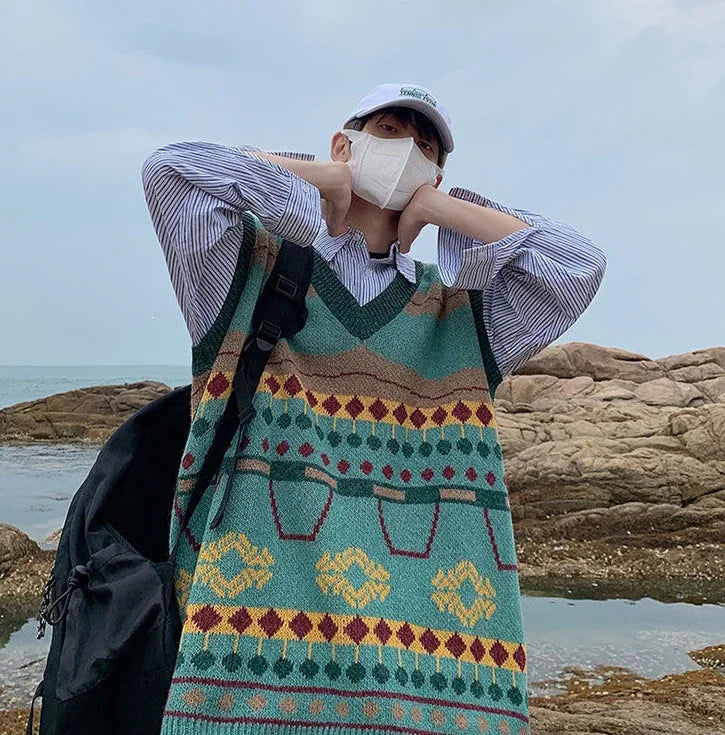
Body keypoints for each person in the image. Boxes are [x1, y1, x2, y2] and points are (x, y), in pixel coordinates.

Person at [142, 82, 606, 735]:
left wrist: (443, 210)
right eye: (389, 130)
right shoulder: (247, 268)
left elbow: (579, 265)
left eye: (426, 146)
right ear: (345, 144)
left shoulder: (465, 313)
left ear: (436, 176)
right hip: (244, 684)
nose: (408, 150)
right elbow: (170, 172)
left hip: (428, 692)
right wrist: (319, 179)